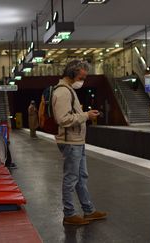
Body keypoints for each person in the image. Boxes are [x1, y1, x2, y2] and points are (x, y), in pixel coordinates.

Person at [52, 60, 107, 225]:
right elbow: (62, 119)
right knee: (71, 178)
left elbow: (71, 114)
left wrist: (85, 114)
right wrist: (86, 116)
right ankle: (69, 214)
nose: (83, 80)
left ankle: (88, 210)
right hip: (70, 142)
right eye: (81, 77)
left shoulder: (68, 90)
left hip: (77, 140)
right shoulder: (63, 92)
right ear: (71, 74)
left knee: (81, 177)